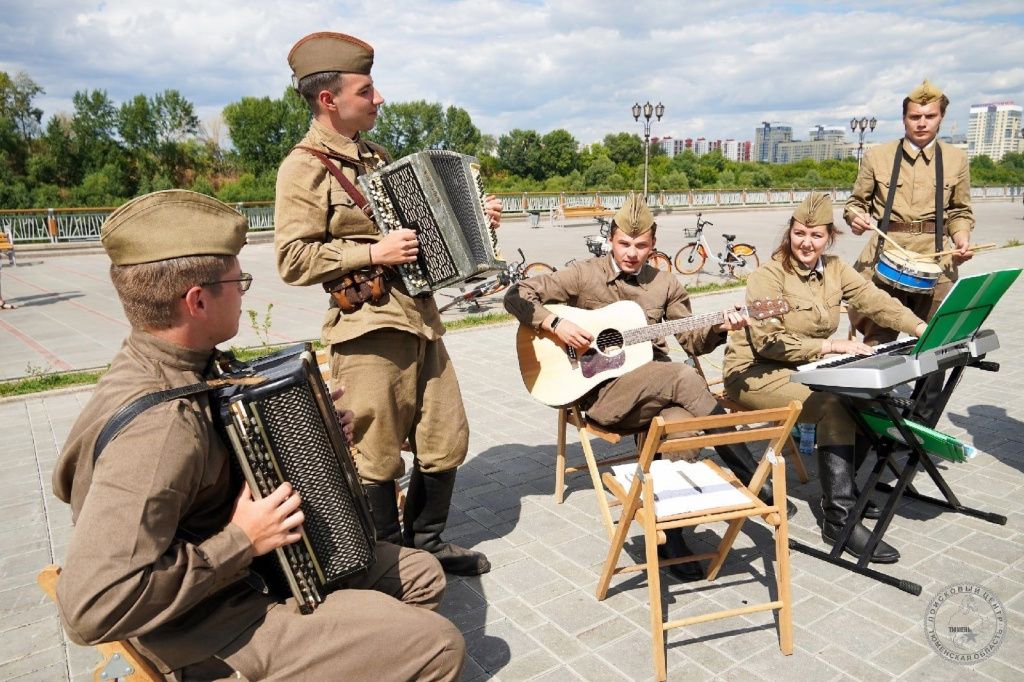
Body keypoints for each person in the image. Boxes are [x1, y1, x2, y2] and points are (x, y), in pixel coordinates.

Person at [53, 190, 464, 680]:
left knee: (420, 573)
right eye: (238, 280)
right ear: (197, 300)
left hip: (240, 575)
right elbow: (91, 608)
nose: (245, 292)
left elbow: (198, 472)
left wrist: (313, 433)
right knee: (437, 646)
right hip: (206, 625)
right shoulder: (160, 429)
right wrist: (243, 539)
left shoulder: (162, 364)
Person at [274, 31, 500, 576]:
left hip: (421, 318)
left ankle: (429, 543)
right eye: (367, 89)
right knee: (374, 450)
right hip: (368, 327)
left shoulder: (378, 157)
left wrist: (477, 224)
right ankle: (389, 558)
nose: (380, 99)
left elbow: (427, 234)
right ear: (329, 100)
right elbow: (291, 259)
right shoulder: (302, 168)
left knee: (446, 436)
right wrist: (370, 250)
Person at [504, 193, 793, 582]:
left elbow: (692, 340)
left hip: (657, 395)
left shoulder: (665, 284)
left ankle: (669, 537)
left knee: (682, 423)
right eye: (624, 243)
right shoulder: (583, 274)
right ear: (611, 239)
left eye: (641, 246)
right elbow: (516, 294)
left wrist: (724, 326)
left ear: (653, 245)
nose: (632, 253)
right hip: (604, 396)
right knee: (681, 376)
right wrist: (555, 324)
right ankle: (750, 473)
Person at [723, 193, 927, 563]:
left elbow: (874, 300)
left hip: (804, 367)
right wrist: (831, 346)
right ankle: (839, 520)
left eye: (816, 236)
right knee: (835, 404)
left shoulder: (834, 269)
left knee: (869, 397)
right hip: (754, 371)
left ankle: (845, 491)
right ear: (789, 233)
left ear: (829, 237)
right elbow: (769, 342)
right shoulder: (767, 276)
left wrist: (920, 328)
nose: (806, 243)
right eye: (800, 233)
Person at [845, 78, 974, 425]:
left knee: (940, 342)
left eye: (929, 116)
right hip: (886, 255)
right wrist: (856, 218)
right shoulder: (878, 155)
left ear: (940, 119)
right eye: (915, 116)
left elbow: (961, 210)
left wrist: (961, 237)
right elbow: (855, 203)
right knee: (878, 338)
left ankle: (920, 424)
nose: (921, 123)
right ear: (904, 118)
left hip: (936, 261)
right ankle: (867, 419)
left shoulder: (957, 159)